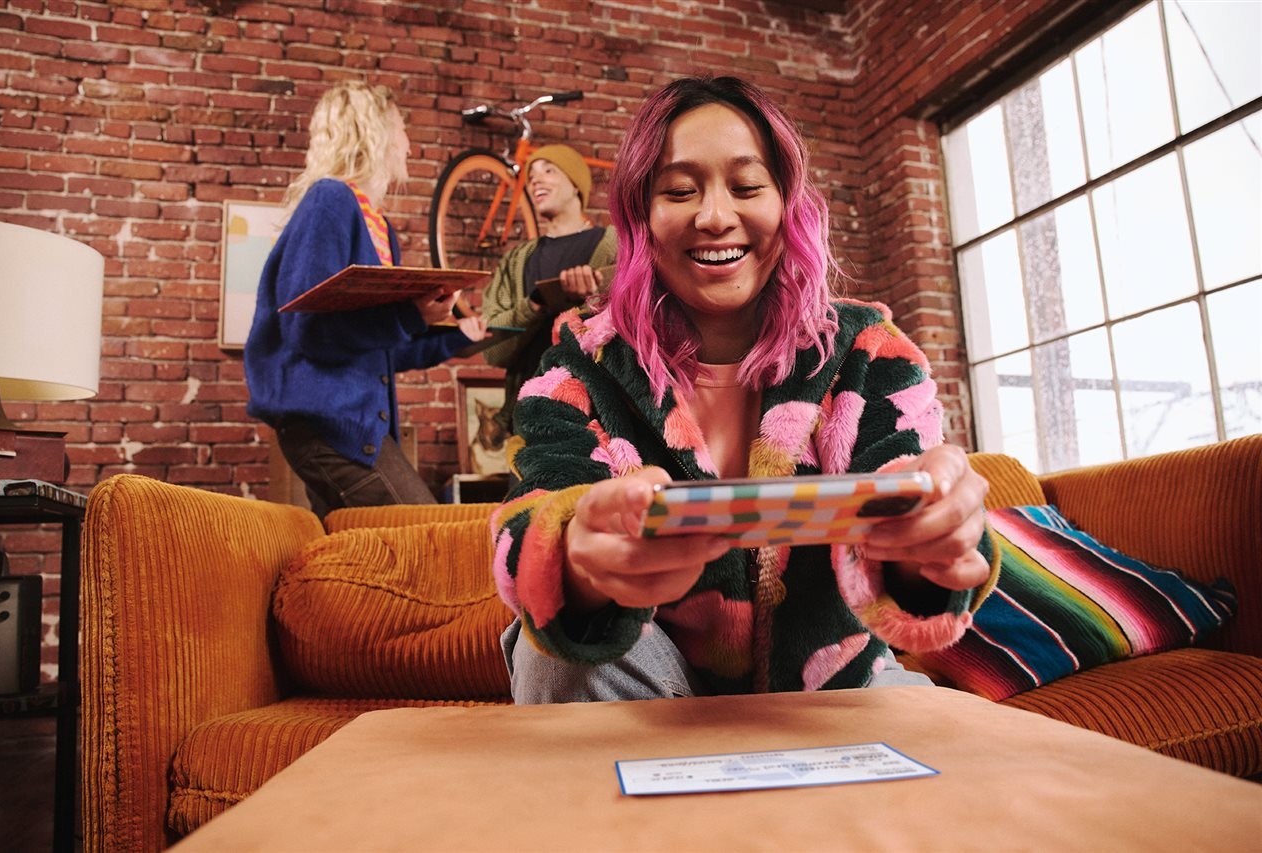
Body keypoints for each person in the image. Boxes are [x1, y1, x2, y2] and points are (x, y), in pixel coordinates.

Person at [490, 76, 997, 704]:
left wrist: (929, 545)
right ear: (640, 217)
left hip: (827, 695)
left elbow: (902, 494)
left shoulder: (868, 353)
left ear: (788, 203)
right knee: (554, 657)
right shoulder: (579, 366)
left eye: (747, 186)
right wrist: (577, 560)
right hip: (645, 692)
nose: (714, 217)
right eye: (678, 191)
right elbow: (536, 510)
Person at [245, 80, 486, 516]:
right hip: (332, 425)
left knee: (357, 562)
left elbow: (381, 346)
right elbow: (309, 330)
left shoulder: (379, 226)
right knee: (430, 539)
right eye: (401, 130)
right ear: (374, 133)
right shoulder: (330, 200)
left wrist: (458, 337)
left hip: (352, 425)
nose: (409, 145)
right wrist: (410, 315)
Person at [480, 144, 617, 437]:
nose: (536, 180)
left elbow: (644, 298)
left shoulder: (613, 245)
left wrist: (597, 285)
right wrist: (534, 305)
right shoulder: (517, 261)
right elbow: (492, 350)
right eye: (532, 176)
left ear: (575, 184)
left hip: (601, 420)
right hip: (530, 422)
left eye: (549, 171)